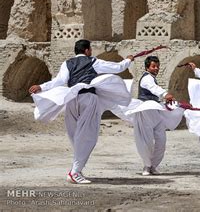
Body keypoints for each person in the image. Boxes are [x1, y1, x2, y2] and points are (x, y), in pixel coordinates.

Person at [28, 39, 134, 184]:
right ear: (87, 50)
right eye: (90, 49)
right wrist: (128, 60)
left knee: (75, 134)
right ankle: (75, 172)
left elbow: (59, 81)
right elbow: (117, 68)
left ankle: (76, 168)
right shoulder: (93, 61)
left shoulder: (67, 63)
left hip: (71, 98)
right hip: (88, 98)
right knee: (88, 135)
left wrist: (41, 86)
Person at [124, 56, 183, 176]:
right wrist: (165, 93)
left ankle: (153, 166)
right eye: (153, 66)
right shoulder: (147, 79)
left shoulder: (152, 78)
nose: (156, 68)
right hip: (145, 110)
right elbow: (154, 88)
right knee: (146, 141)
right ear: (147, 67)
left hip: (155, 111)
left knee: (161, 141)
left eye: (157, 66)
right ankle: (147, 166)